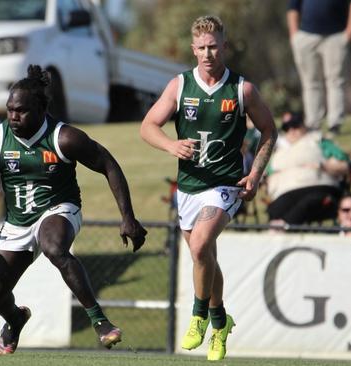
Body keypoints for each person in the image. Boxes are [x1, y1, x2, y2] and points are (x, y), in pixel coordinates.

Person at [0, 65, 147, 355]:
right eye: (9, 110)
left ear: (40, 108)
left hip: (59, 208)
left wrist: (128, 217)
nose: (13, 116)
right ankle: (15, 319)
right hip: (17, 222)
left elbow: (108, 164)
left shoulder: (65, 138)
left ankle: (100, 322)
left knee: (53, 246)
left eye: (20, 110)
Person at [139, 16, 277, 361]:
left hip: (225, 185)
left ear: (224, 47)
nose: (207, 53)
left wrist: (256, 175)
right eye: (201, 48)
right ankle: (220, 322)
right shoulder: (180, 86)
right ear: (193, 49)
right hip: (188, 188)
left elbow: (269, 132)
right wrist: (172, 146)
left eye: (213, 46)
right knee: (206, 258)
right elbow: (148, 126)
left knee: (201, 245)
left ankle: (198, 315)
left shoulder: (242, 90)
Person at [287, 0, 351, 136]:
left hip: (336, 36)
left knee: (335, 81)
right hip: (306, 37)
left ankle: (335, 125)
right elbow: (293, 6)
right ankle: (313, 125)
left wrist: (350, 32)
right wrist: (294, 36)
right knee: (310, 82)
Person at [266, 112, 349, 226]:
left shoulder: (319, 141)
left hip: (319, 187)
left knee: (310, 201)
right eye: (287, 128)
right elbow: (269, 176)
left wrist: (323, 166)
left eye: (295, 125)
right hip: (285, 192)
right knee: (274, 209)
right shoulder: (279, 152)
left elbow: (344, 165)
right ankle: (284, 229)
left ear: (303, 125)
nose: (291, 130)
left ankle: (284, 226)